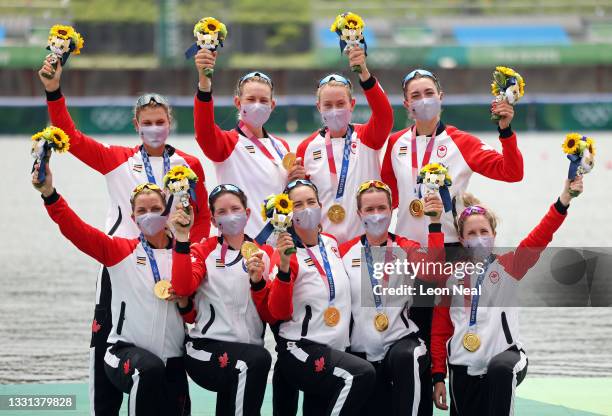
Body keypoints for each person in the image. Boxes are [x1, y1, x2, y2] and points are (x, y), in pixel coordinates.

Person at [38, 60, 211, 415]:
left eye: (160, 122)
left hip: (171, 265)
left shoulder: (190, 164)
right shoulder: (116, 160)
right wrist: (54, 91)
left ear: (170, 124)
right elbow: (69, 135)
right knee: (106, 348)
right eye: (147, 123)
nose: (154, 129)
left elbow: (203, 217)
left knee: (170, 353)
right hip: (121, 263)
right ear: (136, 126)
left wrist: (191, 252)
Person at [32, 163, 193, 416]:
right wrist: (49, 194)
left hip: (172, 359)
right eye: (142, 210)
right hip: (122, 353)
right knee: (147, 370)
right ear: (133, 218)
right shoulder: (118, 251)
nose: (148, 214)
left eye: (155, 209)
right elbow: (77, 230)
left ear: (167, 212)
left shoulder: (186, 254)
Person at [430, 176, 585, 415]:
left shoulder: (509, 267)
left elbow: (540, 237)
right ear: (461, 239)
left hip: (506, 359)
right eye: (471, 233)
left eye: (484, 231)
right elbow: (440, 330)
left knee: (501, 370)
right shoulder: (449, 277)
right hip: (462, 367)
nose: (479, 237)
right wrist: (438, 375)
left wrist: (563, 200)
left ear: (493, 234)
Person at [267, 179, 376, 415]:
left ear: (320, 204)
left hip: (334, 350)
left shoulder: (331, 243)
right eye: (298, 204)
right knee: (360, 375)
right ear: (288, 213)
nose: (306, 208)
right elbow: (277, 312)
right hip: (301, 348)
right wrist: (284, 268)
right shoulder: (286, 253)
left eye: (311, 202)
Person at [381, 69, 524, 246]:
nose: (424, 100)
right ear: (406, 104)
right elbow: (387, 200)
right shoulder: (395, 142)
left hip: (449, 247)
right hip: (405, 247)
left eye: (429, 93)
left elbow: (512, 173)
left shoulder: (463, 142)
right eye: (416, 96)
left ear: (440, 97)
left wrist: (505, 130)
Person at [339, 180, 445, 416]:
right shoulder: (343, 252)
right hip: (360, 351)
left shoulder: (407, 247)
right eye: (369, 209)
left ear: (391, 211)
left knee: (410, 355)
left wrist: (435, 224)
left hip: (400, 342)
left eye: (381, 208)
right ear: (359, 213)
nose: (376, 215)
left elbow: (434, 273)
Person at [169, 184, 274, 416]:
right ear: (214, 220)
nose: (230, 216)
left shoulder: (265, 254)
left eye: (235, 209)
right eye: (222, 212)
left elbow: (272, 314)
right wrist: (183, 237)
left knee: (250, 365)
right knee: (257, 360)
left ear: (247, 214)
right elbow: (182, 288)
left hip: (245, 353)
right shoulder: (203, 250)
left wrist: (258, 282)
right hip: (205, 349)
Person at [193, 49, 306, 237]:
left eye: (263, 100)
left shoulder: (281, 146)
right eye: (251, 99)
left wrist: (296, 181)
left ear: (273, 105)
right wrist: (204, 83)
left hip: (280, 247)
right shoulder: (228, 143)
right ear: (238, 102)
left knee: (371, 264)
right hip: (243, 249)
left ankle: (374, 263)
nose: (257, 105)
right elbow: (204, 131)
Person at [296, 46, 394, 244]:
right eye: (328, 105)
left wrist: (363, 73)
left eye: (341, 104)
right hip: (325, 247)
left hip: (366, 243)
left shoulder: (367, 136)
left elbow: (385, 114)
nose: (334, 110)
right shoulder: (306, 147)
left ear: (352, 104)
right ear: (319, 107)